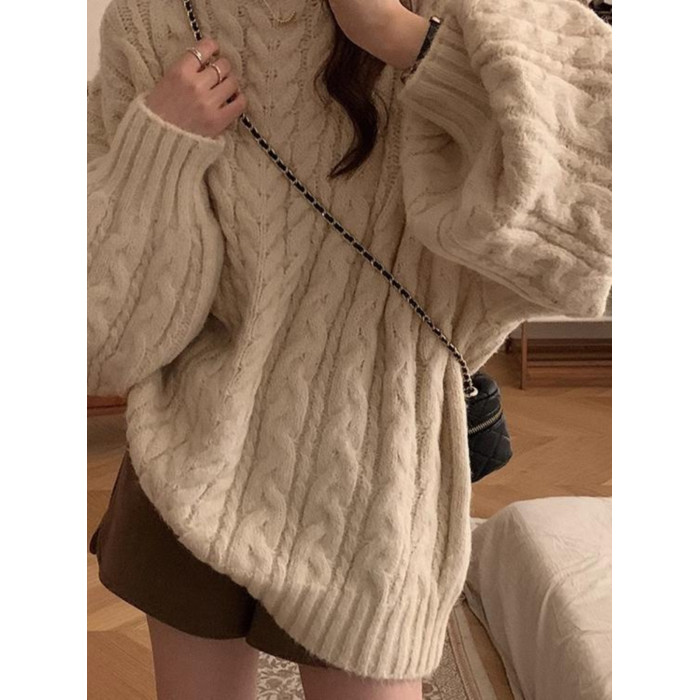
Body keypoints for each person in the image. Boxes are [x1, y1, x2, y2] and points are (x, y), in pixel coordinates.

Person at [87, 0, 612, 698]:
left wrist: (408, 41)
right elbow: (108, 342)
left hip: (377, 475)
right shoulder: (147, 18)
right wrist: (160, 143)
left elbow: (593, 224)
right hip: (185, 454)